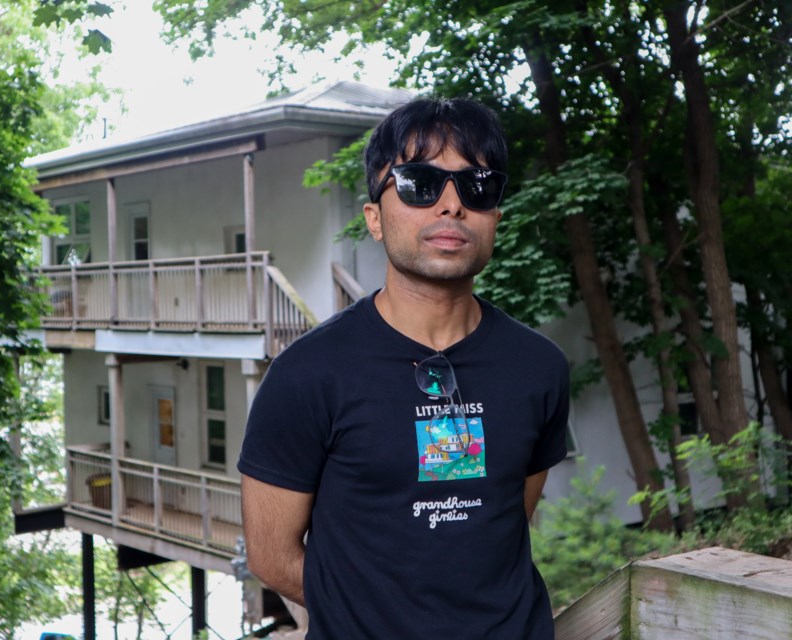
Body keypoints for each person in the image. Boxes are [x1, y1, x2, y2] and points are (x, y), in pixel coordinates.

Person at [238, 97, 570, 639]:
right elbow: (272, 557)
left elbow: (506, 522)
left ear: (494, 218)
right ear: (374, 217)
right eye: (420, 183)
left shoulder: (539, 368)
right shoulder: (307, 375)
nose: (451, 206)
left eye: (476, 186)